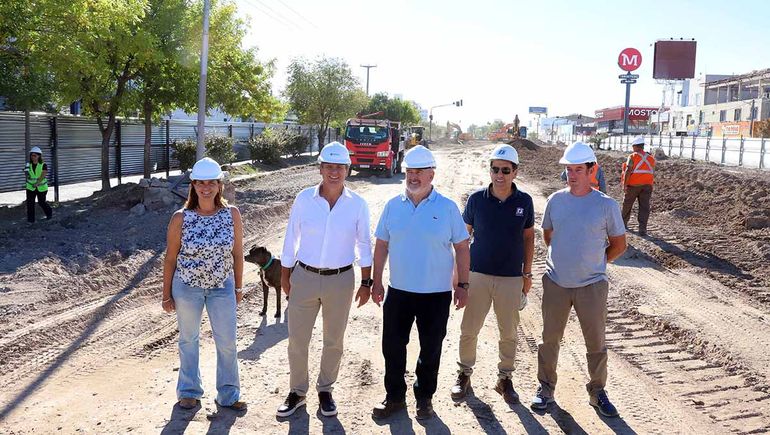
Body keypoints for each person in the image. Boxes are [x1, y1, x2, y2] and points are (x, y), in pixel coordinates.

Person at [370, 145, 471, 421]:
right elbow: (381, 245)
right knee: (392, 347)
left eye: (419, 172)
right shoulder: (392, 206)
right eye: (409, 171)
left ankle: (424, 398)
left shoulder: (448, 208)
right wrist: (375, 281)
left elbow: (462, 247)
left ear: (432, 174)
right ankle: (394, 397)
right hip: (398, 291)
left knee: (431, 349)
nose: (413, 177)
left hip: (435, 295)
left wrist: (463, 285)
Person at [531, 142, 627, 418]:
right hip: (557, 282)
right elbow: (549, 236)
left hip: (592, 286)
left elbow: (619, 244)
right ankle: (545, 389)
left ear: (591, 170)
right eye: (568, 170)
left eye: (577, 170)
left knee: (595, 343)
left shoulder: (606, 205)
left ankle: (597, 392)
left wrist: (596, 262)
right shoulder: (555, 201)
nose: (572, 175)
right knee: (549, 339)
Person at [277, 142, 372, 418]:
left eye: (339, 167)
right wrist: (286, 275)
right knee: (297, 339)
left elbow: (364, 244)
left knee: (334, 340)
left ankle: (325, 390)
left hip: (341, 280)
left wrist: (366, 282)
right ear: (320, 168)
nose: (334, 172)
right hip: (304, 277)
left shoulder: (358, 205)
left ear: (347, 170)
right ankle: (297, 391)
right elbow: (290, 239)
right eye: (329, 167)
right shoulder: (304, 199)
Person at [451, 144, 535, 404]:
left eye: (505, 170)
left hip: (511, 277)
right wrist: (459, 277)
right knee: (469, 329)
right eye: (495, 169)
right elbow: (463, 240)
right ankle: (464, 374)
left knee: (509, 332)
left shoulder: (525, 201)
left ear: (515, 172)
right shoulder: (476, 200)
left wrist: (527, 274)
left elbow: (529, 238)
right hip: (478, 275)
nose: (500, 175)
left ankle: (505, 379)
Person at [162, 157, 246, 411]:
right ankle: (189, 391)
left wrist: (238, 287)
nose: (206, 188)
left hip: (222, 287)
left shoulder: (232, 214)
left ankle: (228, 394)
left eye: (211, 182)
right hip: (187, 287)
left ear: (220, 185)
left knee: (227, 341)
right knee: (188, 339)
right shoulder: (181, 217)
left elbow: (238, 254)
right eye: (201, 183)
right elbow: (170, 258)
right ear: (193, 185)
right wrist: (166, 295)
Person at [621, 136, 655, 236]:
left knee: (627, 204)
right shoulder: (651, 158)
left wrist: (624, 185)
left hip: (633, 185)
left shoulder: (632, 156)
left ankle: (622, 225)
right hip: (647, 186)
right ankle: (642, 229)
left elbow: (628, 170)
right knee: (644, 207)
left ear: (635, 146)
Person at [24, 147, 53, 223]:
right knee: (30, 204)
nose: (33, 157)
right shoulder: (28, 164)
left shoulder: (43, 165)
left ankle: (49, 212)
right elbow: (27, 174)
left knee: (41, 202)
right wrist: (26, 172)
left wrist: (37, 183)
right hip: (30, 187)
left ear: (39, 156)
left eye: (34, 155)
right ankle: (31, 220)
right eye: (31, 155)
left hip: (41, 187)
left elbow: (43, 174)